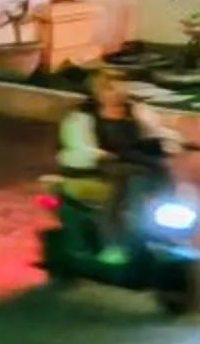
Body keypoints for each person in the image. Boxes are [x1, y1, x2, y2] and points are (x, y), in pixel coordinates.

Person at [56, 70, 176, 252]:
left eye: (120, 86)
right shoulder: (82, 117)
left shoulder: (136, 112)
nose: (117, 92)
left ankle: (160, 229)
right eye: (110, 88)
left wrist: (172, 142)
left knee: (160, 173)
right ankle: (113, 240)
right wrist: (102, 154)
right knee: (126, 184)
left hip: (133, 163)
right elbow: (79, 148)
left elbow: (156, 132)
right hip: (94, 168)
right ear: (98, 92)